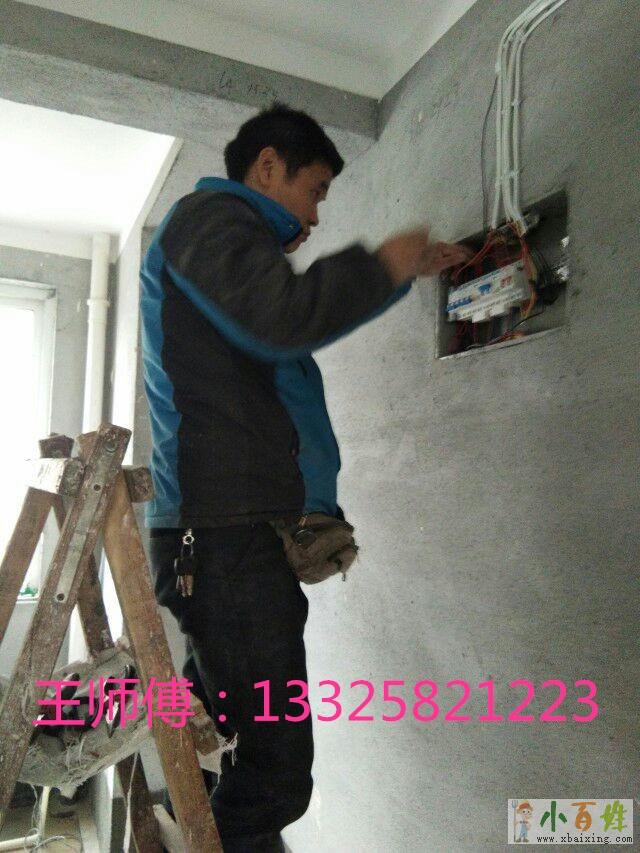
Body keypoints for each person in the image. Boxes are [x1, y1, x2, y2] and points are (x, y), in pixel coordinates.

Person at [139, 102, 469, 852]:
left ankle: (197, 824)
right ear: (267, 167)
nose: (318, 215)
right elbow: (281, 319)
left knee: (226, 729)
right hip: (220, 539)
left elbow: (279, 369)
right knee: (278, 772)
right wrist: (384, 263)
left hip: (224, 536)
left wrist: (310, 504)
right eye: (315, 190)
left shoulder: (221, 241)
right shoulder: (208, 220)